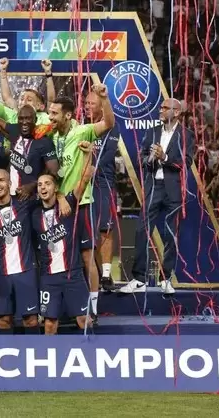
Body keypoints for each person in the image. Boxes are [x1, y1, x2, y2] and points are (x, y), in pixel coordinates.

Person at [48, 92, 115, 317]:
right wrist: (59, 197)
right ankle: (66, 306)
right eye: (49, 113)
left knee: (87, 256)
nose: (50, 117)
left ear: (68, 115)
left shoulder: (81, 131)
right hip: (58, 205)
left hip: (81, 204)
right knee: (61, 255)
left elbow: (108, 123)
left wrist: (104, 99)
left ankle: (93, 306)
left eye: (54, 113)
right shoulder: (50, 137)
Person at [120, 98, 195, 295]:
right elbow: (142, 156)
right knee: (141, 231)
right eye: (160, 107)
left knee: (170, 235)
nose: (160, 110)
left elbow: (186, 163)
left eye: (164, 108)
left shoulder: (186, 135)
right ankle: (139, 279)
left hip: (173, 190)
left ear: (176, 112)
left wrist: (165, 158)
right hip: (153, 187)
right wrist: (151, 159)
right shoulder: (152, 131)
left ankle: (165, 278)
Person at [0, 169, 44, 335]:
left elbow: (49, 196)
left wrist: (62, 198)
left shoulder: (24, 204)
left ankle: (32, 350)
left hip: (26, 271)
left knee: (30, 319)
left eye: (1, 180)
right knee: (3, 320)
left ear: (9, 183)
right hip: (0, 274)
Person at [33, 172, 91, 334]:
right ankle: (48, 351)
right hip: (48, 277)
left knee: (84, 320)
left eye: (47, 183)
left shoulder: (68, 204)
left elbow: (85, 179)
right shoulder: (34, 214)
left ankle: (91, 349)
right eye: (40, 184)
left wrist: (61, 197)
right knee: (49, 324)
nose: (43, 187)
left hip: (73, 273)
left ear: (56, 187)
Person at [84, 90, 121, 291]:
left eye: (91, 103)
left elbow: (108, 155)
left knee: (105, 228)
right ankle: (95, 272)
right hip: (82, 183)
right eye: (86, 103)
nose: (87, 106)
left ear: (101, 106)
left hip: (103, 182)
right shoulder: (81, 124)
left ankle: (106, 275)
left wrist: (92, 168)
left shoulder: (111, 126)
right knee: (87, 231)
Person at [0, 107, 58, 200]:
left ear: (35, 120)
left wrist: (32, 185)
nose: (24, 122)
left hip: (32, 198)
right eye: (21, 119)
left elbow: (54, 172)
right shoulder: (15, 130)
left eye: (28, 118)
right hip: (11, 196)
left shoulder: (45, 142)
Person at [0, 57, 52, 126]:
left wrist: (48, 74)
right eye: (21, 99)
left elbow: (51, 100)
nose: (24, 102)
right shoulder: (12, 116)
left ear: (40, 106)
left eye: (29, 100)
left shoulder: (45, 118)